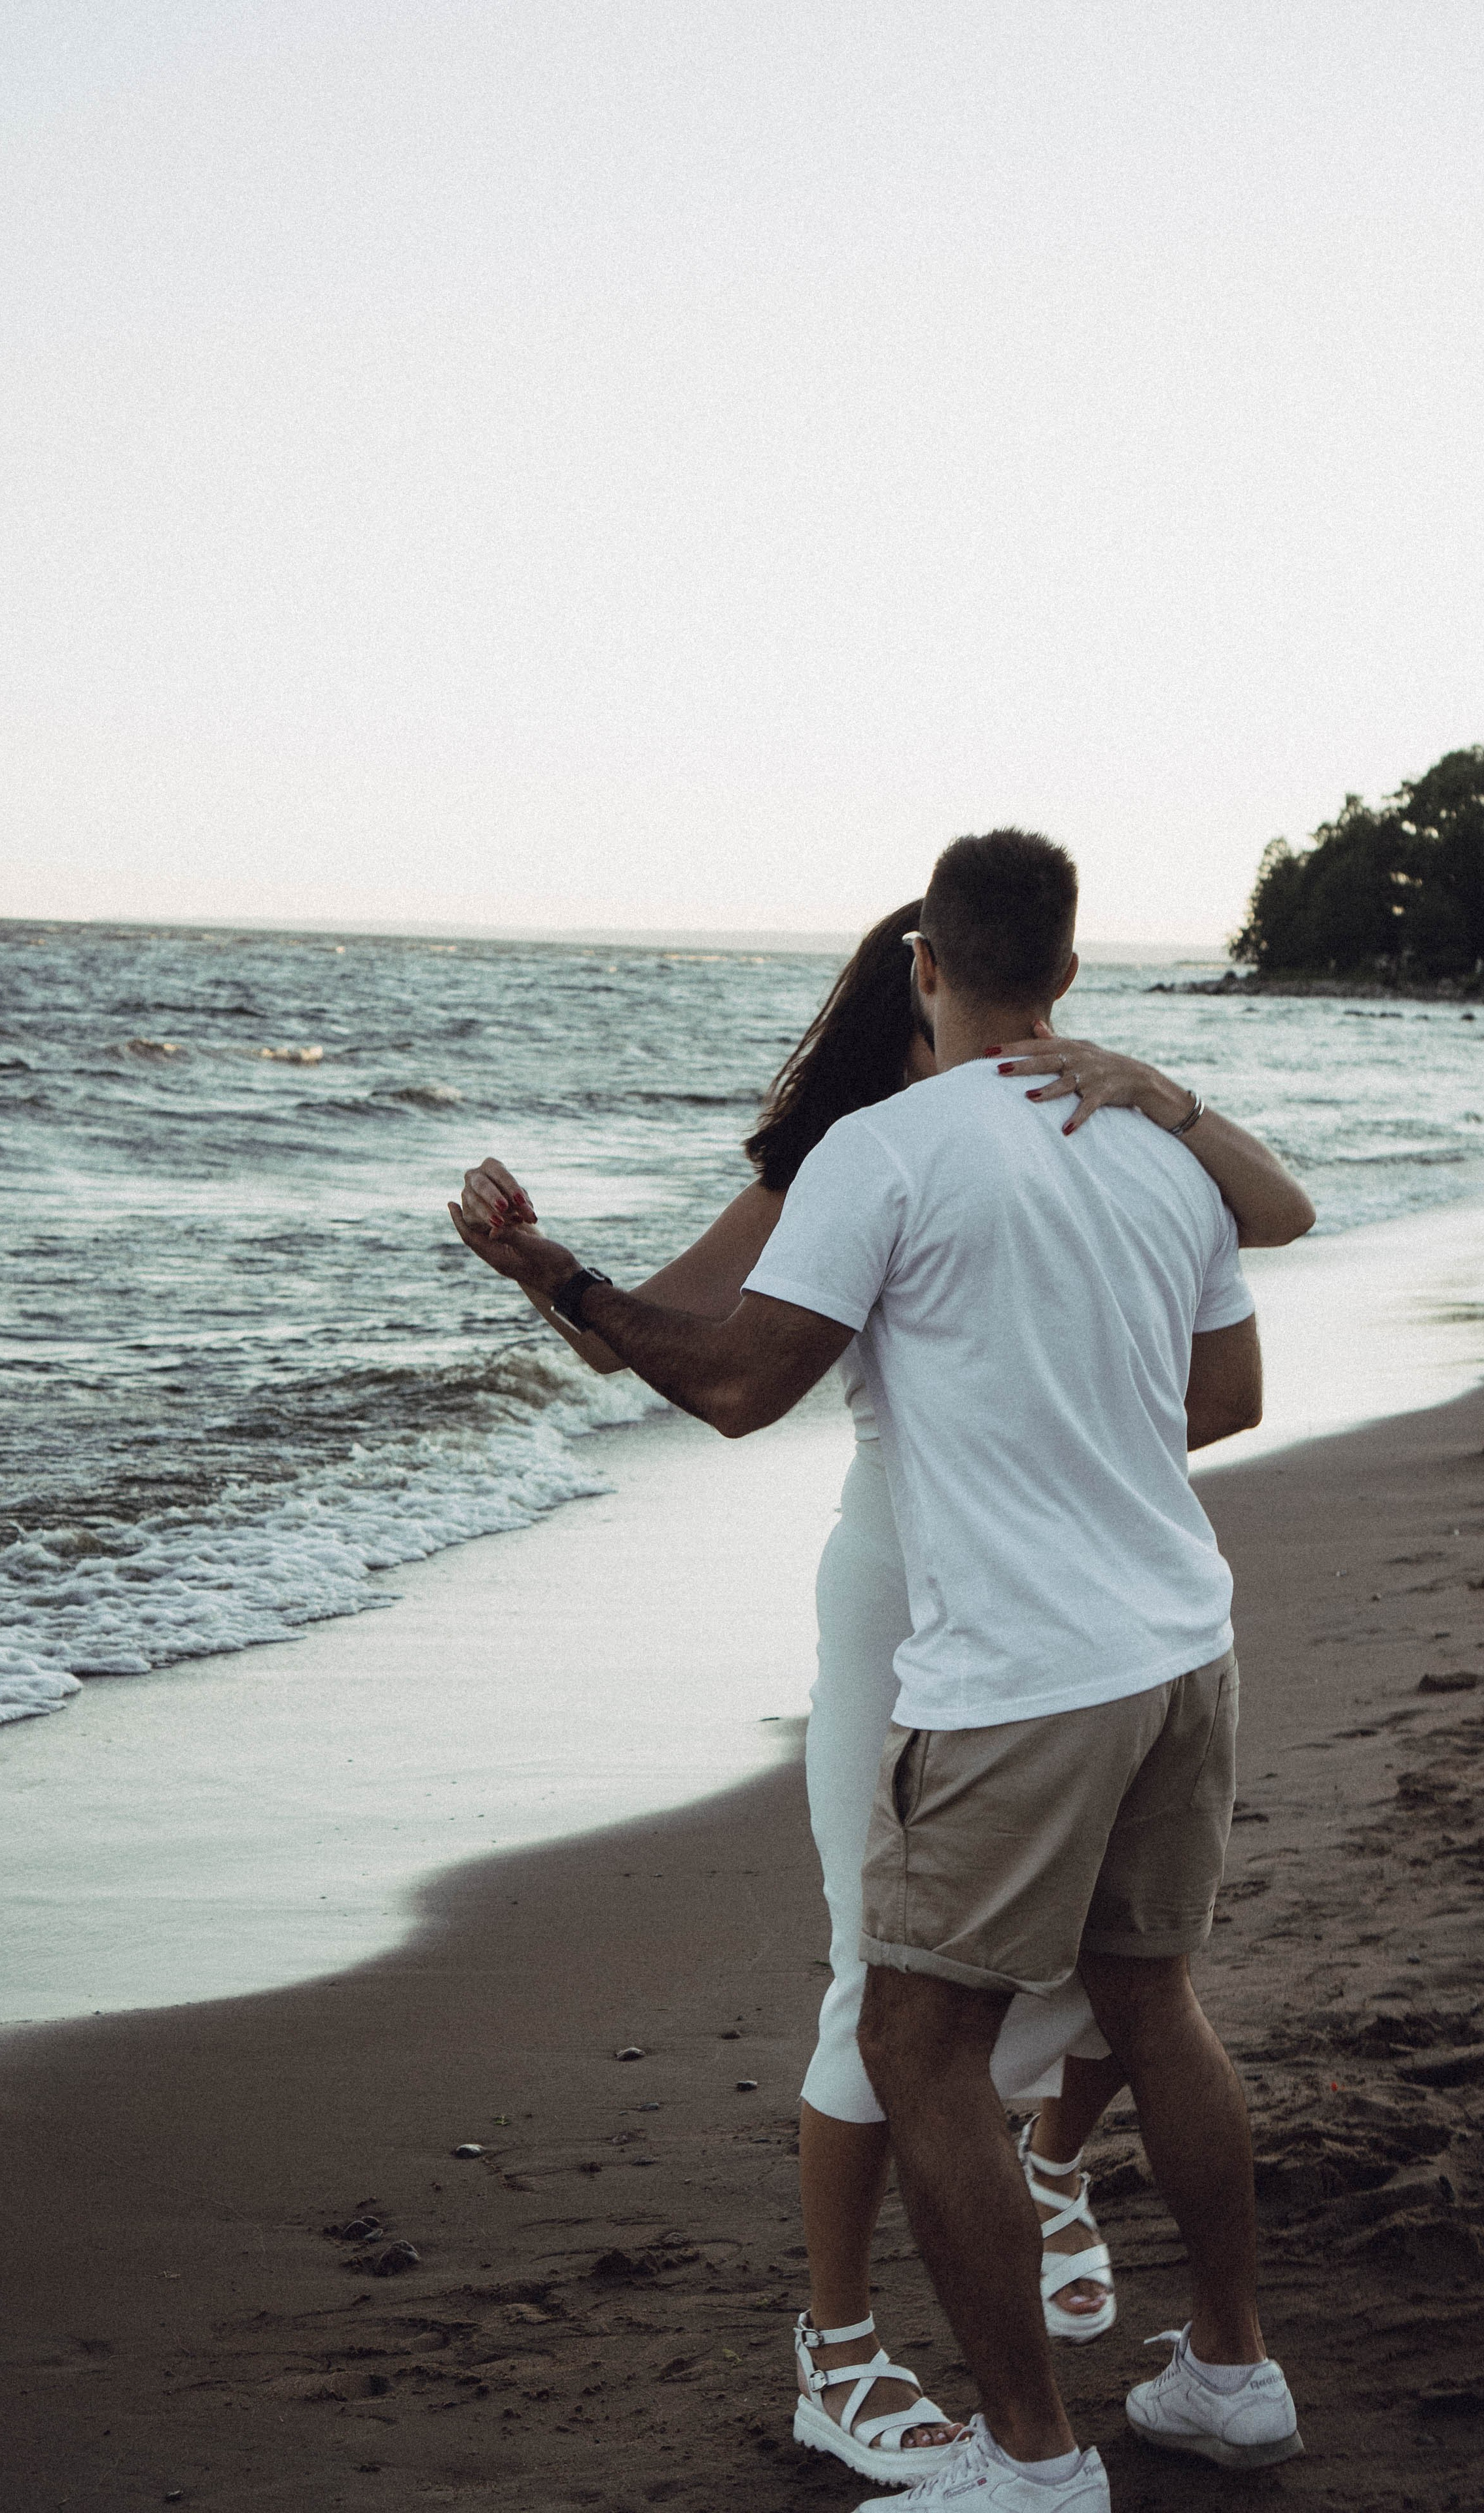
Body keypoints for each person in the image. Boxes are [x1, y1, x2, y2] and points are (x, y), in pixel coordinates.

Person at [452, 859, 1311, 2503]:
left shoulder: (900, 1153)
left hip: (1010, 1651)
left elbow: (729, 1389)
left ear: (922, 966)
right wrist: (1056, 1435)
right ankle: (1225, 2369)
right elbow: (1231, 1393)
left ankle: (1021, 2451)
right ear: (1068, 962)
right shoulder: (1145, 1145)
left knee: (909, 2026)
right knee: (1141, 1994)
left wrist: (557, 1273)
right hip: (1161, 1632)